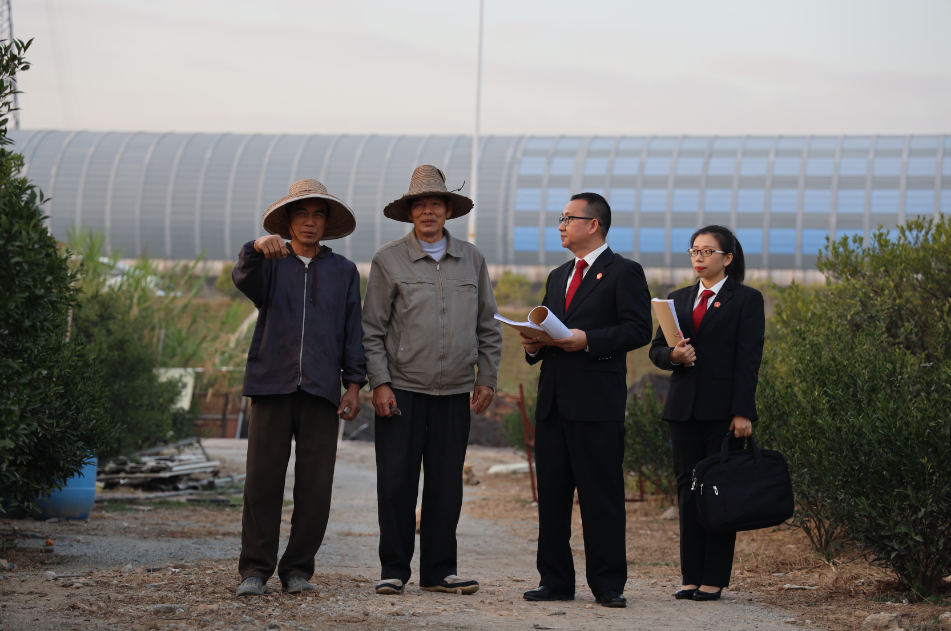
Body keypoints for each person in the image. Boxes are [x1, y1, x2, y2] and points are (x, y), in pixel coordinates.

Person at [362, 165, 503, 596]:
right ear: (409, 212)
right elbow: (371, 330)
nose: (428, 211)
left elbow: (489, 326)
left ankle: (441, 571)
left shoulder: (472, 259)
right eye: (419, 204)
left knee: (446, 483)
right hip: (401, 389)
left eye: (435, 204)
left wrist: (487, 377)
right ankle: (394, 570)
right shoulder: (389, 260)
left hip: (456, 390)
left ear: (447, 211)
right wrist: (380, 383)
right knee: (397, 481)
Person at [232, 179, 366, 597]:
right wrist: (256, 246)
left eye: (318, 214)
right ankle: (255, 570)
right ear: (288, 220)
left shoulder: (342, 271)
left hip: (323, 391)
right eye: (302, 213)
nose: (310, 222)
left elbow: (352, 332)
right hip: (272, 385)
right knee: (262, 481)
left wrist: (354, 385)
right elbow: (242, 276)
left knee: (315, 485)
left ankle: (297, 570)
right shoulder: (270, 263)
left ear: (327, 222)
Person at [520, 192, 652, 608]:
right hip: (554, 403)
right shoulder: (558, 275)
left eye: (567, 218)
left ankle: (608, 584)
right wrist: (533, 345)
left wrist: (589, 340)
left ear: (593, 224)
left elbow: (638, 330)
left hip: (597, 405)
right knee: (553, 499)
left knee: (602, 497)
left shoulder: (624, 272)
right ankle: (555, 580)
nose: (560, 225)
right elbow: (551, 330)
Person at [648, 225, 765, 602]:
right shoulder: (676, 299)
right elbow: (656, 351)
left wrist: (743, 412)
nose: (699, 258)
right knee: (688, 491)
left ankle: (714, 577)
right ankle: (690, 575)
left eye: (707, 252)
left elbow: (749, 360)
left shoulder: (746, 299)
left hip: (723, 414)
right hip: (682, 410)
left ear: (727, 258)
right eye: (694, 251)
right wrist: (673, 356)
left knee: (719, 492)